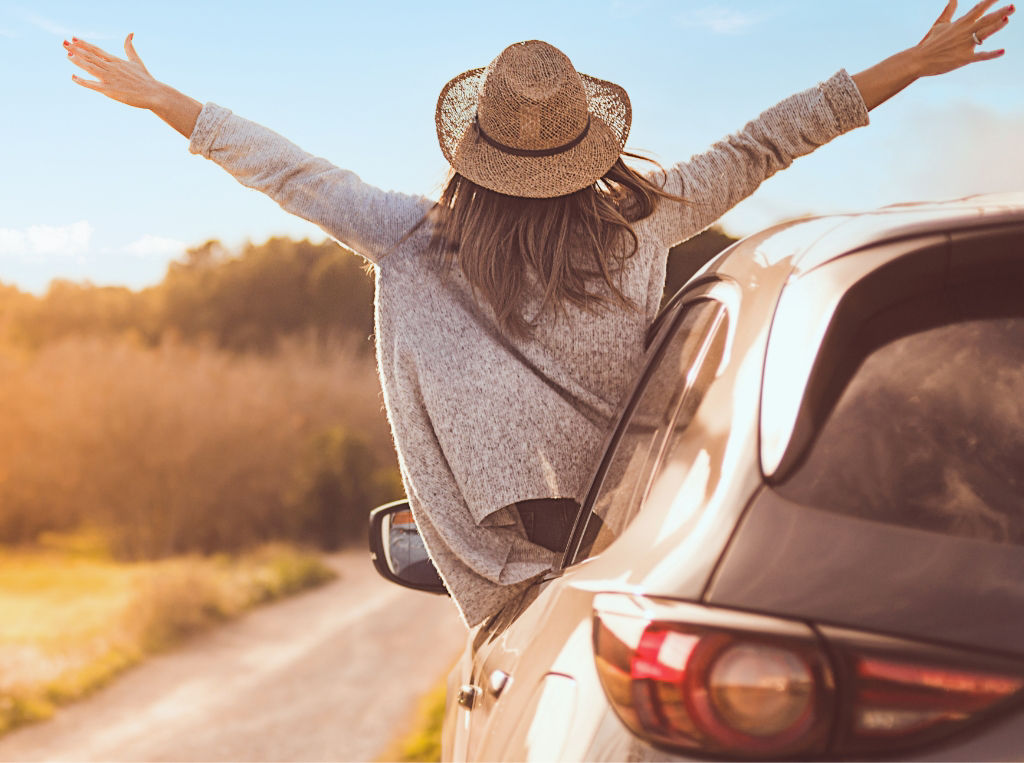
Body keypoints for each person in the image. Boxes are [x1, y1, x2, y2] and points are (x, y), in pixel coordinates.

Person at [62, 1, 1013, 628]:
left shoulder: (406, 238)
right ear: (586, 147)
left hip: (519, 592)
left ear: (473, 147)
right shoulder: (647, 222)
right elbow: (775, 135)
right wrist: (915, 63)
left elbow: (290, 171)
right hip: (651, 555)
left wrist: (164, 103)